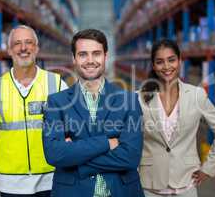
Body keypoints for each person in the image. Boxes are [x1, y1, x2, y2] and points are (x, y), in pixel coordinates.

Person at [42, 29, 144, 197]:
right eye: (83, 54)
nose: (90, 61)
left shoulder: (129, 101)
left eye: (96, 54)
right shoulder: (56, 102)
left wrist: (76, 158)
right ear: (74, 59)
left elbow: (131, 157)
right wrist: (107, 143)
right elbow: (55, 154)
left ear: (106, 56)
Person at [0, 25, 68, 197]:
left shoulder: (57, 85)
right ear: (10, 51)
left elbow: (72, 135)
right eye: (17, 43)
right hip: (12, 186)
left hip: (53, 181)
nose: (24, 48)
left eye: (29, 42)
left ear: (36, 48)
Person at [138, 39, 215, 197]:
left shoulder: (196, 95)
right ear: (153, 66)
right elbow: (128, 139)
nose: (167, 67)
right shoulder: (139, 98)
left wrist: (208, 168)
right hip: (149, 187)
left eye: (171, 60)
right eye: (160, 62)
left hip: (186, 186)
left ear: (180, 60)